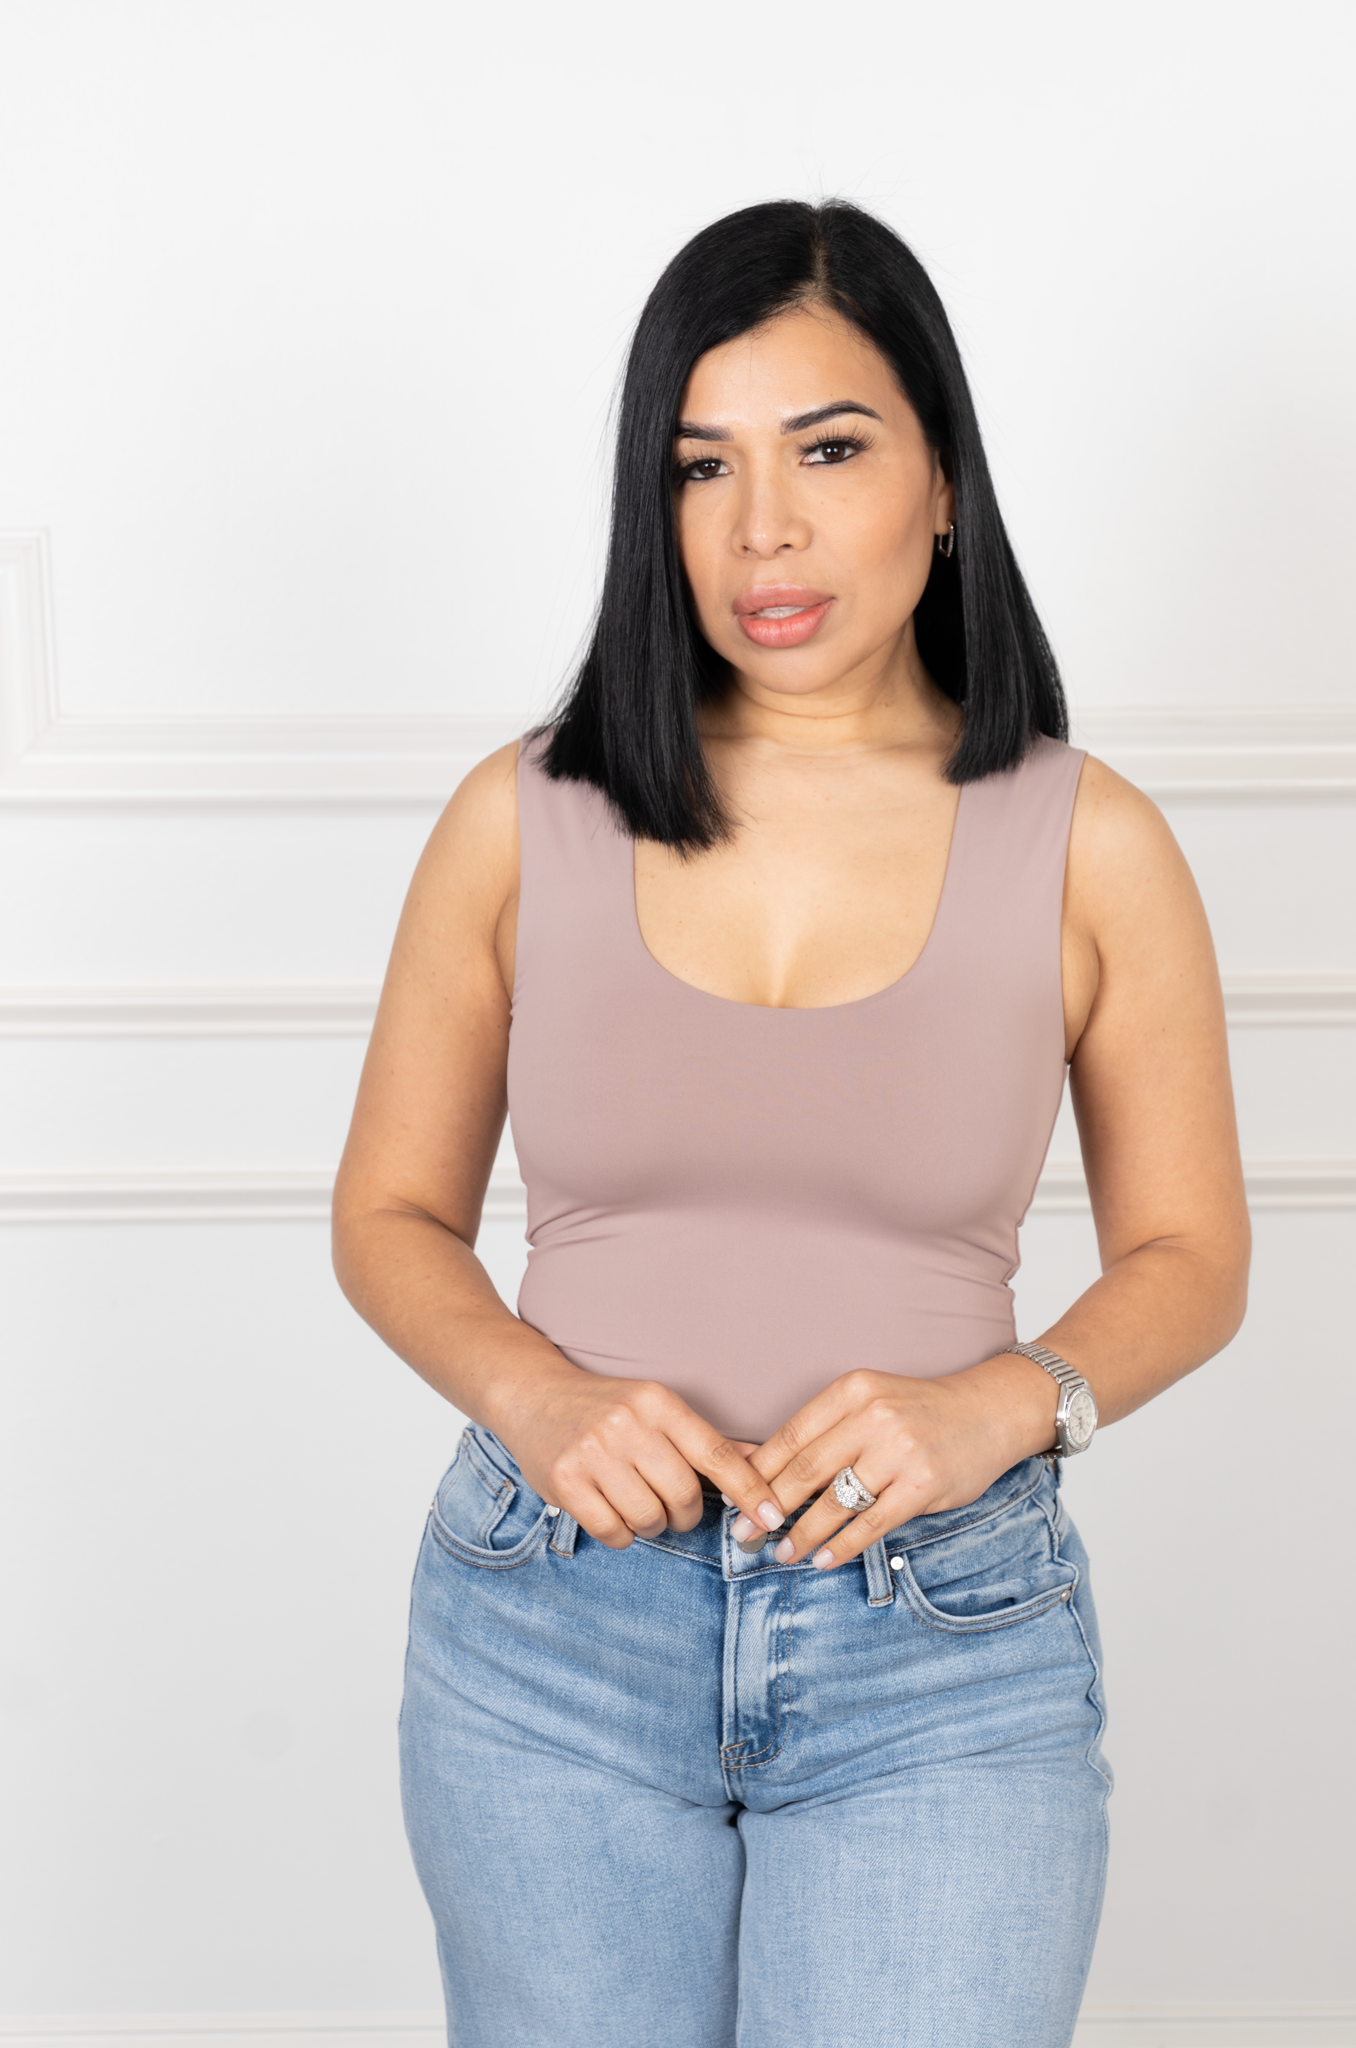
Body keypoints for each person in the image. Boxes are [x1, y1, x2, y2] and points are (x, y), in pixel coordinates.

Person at [331, 199, 1249, 2048]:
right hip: (551, 1631)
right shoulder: (522, 817)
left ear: (944, 482)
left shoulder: (1095, 843)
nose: (763, 528)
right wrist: (539, 1399)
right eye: (704, 466)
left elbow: (1192, 1256)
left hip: (942, 1641)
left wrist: (1004, 1403)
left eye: (829, 451)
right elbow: (388, 1215)